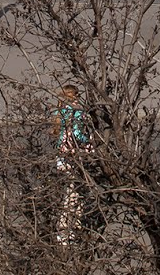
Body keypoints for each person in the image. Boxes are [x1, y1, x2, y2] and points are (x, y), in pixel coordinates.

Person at [52, 85, 93, 244]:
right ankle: (64, 228)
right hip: (74, 155)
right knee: (73, 192)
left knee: (77, 189)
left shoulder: (59, 112)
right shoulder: (77, 112)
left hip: (62, 156)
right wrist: (88, 142)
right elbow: (76, 134)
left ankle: (74, 225)